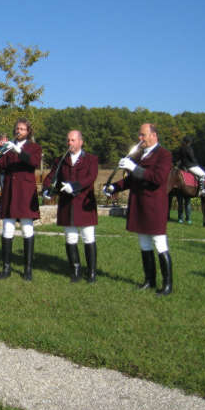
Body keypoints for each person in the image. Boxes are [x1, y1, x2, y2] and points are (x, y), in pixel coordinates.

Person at [103, 123, 173, 295]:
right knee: (144, 244)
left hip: (154, 206)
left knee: (159, 243)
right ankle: (149, 280)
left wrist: (133, 167)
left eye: (143, 135)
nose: (140, 139)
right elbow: (131, 180)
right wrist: (114, 187)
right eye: (139, 135)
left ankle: (167, 285)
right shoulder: (141, 155)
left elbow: (157, 178)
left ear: (154, 135)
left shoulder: (164, 155)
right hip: (139, 204)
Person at [42, 130, 99, 283]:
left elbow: (91, 178)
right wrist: (47, 189)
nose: (70, 143)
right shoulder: (61, 160)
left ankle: (92, 272)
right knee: (70, 237)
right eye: (68, 140)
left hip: (84, 203)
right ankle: (75, 270)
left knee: (88, 237)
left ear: (81, 142)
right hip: (67, 204)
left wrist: (75, 186)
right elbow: (51, 176)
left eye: (73, 140)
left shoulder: (91, 159)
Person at [0, 118, 42, 281]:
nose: (18, 131)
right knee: (7, 228)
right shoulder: (8, 148)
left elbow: (34, 162)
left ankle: (28, 269)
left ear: (28, 132)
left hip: (26, 192)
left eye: (22, 129)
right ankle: (6, 268)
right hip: (10, 191)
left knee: (27, 228)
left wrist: (18, 151)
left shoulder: (34, 147)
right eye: (17, 128)